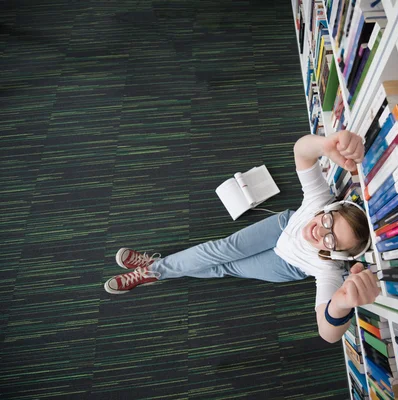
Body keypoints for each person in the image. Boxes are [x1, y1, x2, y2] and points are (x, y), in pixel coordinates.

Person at [103, 130, 380, 343]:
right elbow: (301, 150)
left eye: (331, 241)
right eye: (328, 220)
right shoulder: (321, 199)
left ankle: (153, 270)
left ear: (336, 254)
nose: (320, 230)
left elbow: (327, 333)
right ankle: (155, 270)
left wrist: (341, 304)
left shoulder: (328, 268)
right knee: (219, 250)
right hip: (281, 226)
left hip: (286, 265)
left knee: (224, 268)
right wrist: (326, 144)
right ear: (330, 208)